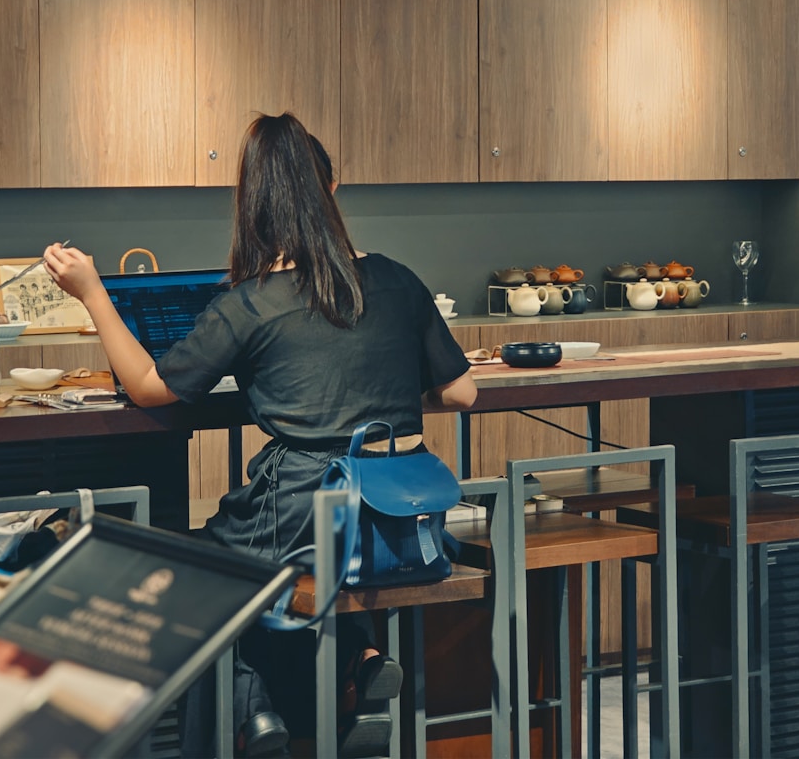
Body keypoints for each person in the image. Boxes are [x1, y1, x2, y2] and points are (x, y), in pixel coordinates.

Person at [43, 112, 477, 759]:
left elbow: (151, 388)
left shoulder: (250, 302)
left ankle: (255, 712)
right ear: (332, 189)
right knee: (286, 569)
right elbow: (462, 392)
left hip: (302, 503)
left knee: (193, 571)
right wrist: (369, 385)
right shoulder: (396, 276)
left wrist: (93, 294)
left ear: (253, 203)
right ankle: (355, 663)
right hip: (397, 514)